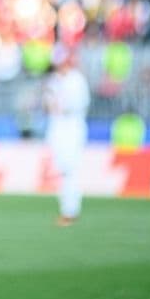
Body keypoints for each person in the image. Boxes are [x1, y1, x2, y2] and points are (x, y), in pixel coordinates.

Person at [43, 48, 91, 227]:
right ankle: (67, 207)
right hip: (58, 128)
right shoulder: (54, 80)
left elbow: (75, 106)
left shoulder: (76, 80)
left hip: (71, 127)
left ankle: (70, 210)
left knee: (70, 170)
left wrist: (59, 105)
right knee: (63, 169)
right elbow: (49, 104)